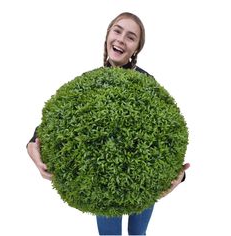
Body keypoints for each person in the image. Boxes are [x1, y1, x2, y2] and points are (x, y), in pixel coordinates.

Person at [27, 12, 190, 235]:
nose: (121, 39)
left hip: (140, 178)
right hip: (101, 180)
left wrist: (179, 175)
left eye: (131, 37)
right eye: (117, 30)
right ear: (107, 36)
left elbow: (169, 131)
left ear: (136, 49)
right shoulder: (88, 82)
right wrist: (31, 145)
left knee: (137, 233)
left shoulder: (147, 85)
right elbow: (56, 122)